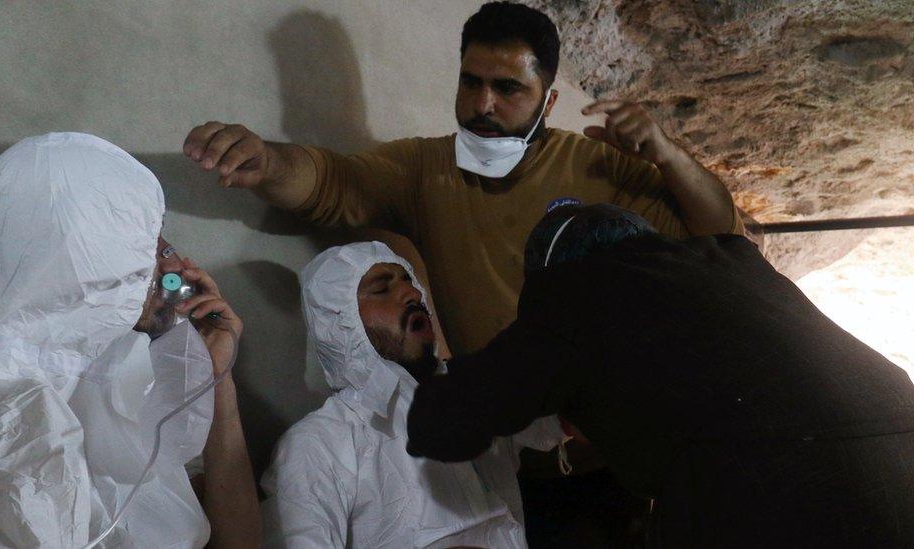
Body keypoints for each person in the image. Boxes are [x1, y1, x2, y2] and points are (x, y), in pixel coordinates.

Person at [183, 3, 742, 538]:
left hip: (612, 456)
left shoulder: (595, 164)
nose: (483, 104)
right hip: (509, 466)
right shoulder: (426, 169)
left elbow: (717, 235)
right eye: (470, 82)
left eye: (508, 89)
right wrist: (268, 161)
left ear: (547, 102)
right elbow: (334, 182)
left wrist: (667, 154)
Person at [406, 203, 914, 547]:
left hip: (778, 497)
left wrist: (435, 377)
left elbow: (445, 420)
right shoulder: (735, 263)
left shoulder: (576, 290)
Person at [0, 133, 260, 548]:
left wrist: (218, 378)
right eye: (152, 241)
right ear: (100, 257)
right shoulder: (12, 426)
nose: (176, 263)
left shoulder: (112, 397)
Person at [260, 241, 566, 548]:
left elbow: (572, 417)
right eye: (382, 290)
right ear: (340, 323)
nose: (414, 294)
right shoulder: (316, 446)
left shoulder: (469, 396)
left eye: (410, 281)